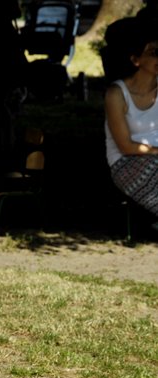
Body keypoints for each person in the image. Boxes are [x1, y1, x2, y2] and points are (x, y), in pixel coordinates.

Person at [104, 17, 158, 228]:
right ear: (136, 60)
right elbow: (125, 146)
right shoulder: (117, 94)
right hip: (127, 162)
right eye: (154, 53)